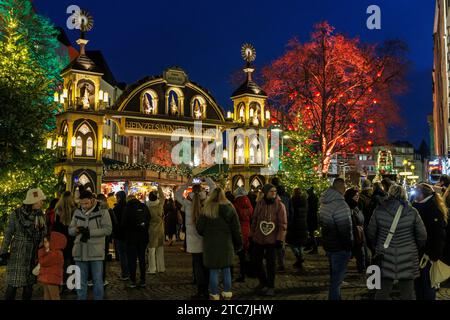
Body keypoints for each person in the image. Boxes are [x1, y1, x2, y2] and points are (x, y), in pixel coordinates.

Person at [367, 184, 427, 300]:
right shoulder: (412, 212)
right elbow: (422, 235)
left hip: (384, 256)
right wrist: (415, 247)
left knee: (382, 291)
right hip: (407, 257)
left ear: (389, 194)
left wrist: (377, 245)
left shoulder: (379, 210)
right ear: (404, 195)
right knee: (408, 293)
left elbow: (370, 232)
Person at [196, 188, 243, 300]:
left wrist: (208, 234)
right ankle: (227, 293)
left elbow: (199, 228)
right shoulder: (230, 209)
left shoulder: (206, 209)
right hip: (226, 244)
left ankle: (214, 294)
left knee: (213, 270)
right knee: (226, 270)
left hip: (210, 245)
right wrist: (239, 243)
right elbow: (236, 229)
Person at [1, 188, 47, 300]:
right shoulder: (16, 214)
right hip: (18, 254)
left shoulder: (40, 215)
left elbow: (43, 233)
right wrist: (3, 252)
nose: (42, 202)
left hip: (32, 254)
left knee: (29, 286)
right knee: (12, 285)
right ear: (33, 202)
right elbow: (8, 233)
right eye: (40, 200)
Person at [176, 177, 216, 300]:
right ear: (203, 189)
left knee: (197, 266)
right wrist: (207, 179)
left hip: (193, 240)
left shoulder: (187, 203)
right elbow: (215, 188)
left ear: (191, 190)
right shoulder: (207, 201)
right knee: (206, 266)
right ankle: (207, 290)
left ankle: (201, 291)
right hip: (206, 239)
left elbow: (177, 194)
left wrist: (187, 183)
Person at [68, 190, 112, 300]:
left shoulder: (102, 211)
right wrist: (76, 230)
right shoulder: (77, 212)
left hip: (95, 252)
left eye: (86, 203)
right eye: (81, 203)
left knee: (97, 280)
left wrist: (90, 233)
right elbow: (70, 230)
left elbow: (108, 230)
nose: (84, 206)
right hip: (80, 251)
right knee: (80, 281)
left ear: (92, 201)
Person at [250, 183, 287, 297]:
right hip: (259, 238)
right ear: (265, 193)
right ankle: (263, 282)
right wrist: (252, 234)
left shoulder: (280, 205)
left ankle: (270, 286)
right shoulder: (260, 203)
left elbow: (283, 224)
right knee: (256, 261)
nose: (274, 193)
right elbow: (255, 219)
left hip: (272, 240)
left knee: (271, 264)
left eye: (275, 191)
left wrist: (280, 239)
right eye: (271, 191)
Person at [319, 178, 352, 300]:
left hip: (329, 245)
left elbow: (322, 224)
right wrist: (349, 247)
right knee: (337, 280)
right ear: (340, 188)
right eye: (344, 187)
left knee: (335, 277)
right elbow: (345, 229)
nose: (345, 190)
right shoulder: (340, 204)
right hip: (340, 247)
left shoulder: (324, 203)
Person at [413, 183, 447, 300]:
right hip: (419, 254)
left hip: (427, 255)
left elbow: (438, 234)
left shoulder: (432, 208)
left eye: (416, 192)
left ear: (421, 194)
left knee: (427, 285)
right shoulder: (421, 205)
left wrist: (434, 255)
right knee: (419, 284)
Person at [122, 194, 151, 288]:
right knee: (142, 258)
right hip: (143, 237)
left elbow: (124, 223)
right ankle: (143, 280)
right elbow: (148, 219)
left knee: (132, 260)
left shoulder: (127, 208)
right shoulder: (144, 206)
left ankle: (133, 280)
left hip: (131, 238)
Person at [53, 191, 77, 294]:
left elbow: (55, 227)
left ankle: (62, 285)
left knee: (63, 263)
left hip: (61, 240)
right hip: (72, 239)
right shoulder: (75, 210)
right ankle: (72, 285)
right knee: (73, 262)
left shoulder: (57, 211)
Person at [232, 186, 254, 282]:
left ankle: (234, 274)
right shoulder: (248, 202)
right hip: (247, 228)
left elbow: (234, 216)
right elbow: (252, 214)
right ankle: (243, 273)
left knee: (235, 253)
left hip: (238, 229)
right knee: (243, 254)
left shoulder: (236, 203)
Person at [37, 231, 67, 300]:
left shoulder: (55, 254)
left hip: (52, 278)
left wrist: (41, 250)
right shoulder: (52, 252)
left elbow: (43, 262)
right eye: (44, 242)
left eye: (46, 242)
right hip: (47, 278)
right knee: (47, 296)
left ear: (53, 242)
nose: (44, 244)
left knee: (54, 297)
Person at [271, 178, 291, 272]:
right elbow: (291, 210)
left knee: (275, 245)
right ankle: (281, 263)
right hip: (285, 222)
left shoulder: (274, 196)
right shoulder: (287, 195)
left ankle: (277, 264)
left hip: (275, 222)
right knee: (281, 244)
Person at [286, 188, 309, 272]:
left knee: (292, 243)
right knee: (300, 244)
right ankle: (300, 258)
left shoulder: (293, 200)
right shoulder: (304, 201)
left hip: (294, 225)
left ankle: (299, 258)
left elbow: (291, 212)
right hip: (303, 224)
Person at [344, 188, 366, 274]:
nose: (357, 197)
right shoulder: (347, 207)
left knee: (361, 253)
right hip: (352, 234)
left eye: (358, 195)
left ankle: (361, 269)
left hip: (358, 233)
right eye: (355, 195)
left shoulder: (356, 206)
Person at [147, 185, 166, 274]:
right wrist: (159, 187)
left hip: (151, 229)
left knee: (151, 250)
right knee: (160, 248)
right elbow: (163, 197)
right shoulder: (160, 204)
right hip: (160, 229)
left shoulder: (147, 207)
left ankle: (152, 268)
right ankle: (161, 267)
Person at [113, 191, 129, 281]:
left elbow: (115, 222)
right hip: (128, 234)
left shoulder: (117, 208)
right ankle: (130, 273)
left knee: (122, 254)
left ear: (118, 198)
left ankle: (125, 274)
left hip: (119, 234)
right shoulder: (128, 207)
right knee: (128, 254)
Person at [306, 187, 319, 254]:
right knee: (311, 233)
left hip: (311, 218)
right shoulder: (314, 198)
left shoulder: (311, 198)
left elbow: (309, 208)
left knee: (311, 233)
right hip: (313, 217)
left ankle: (314, 248)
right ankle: (311, 246)